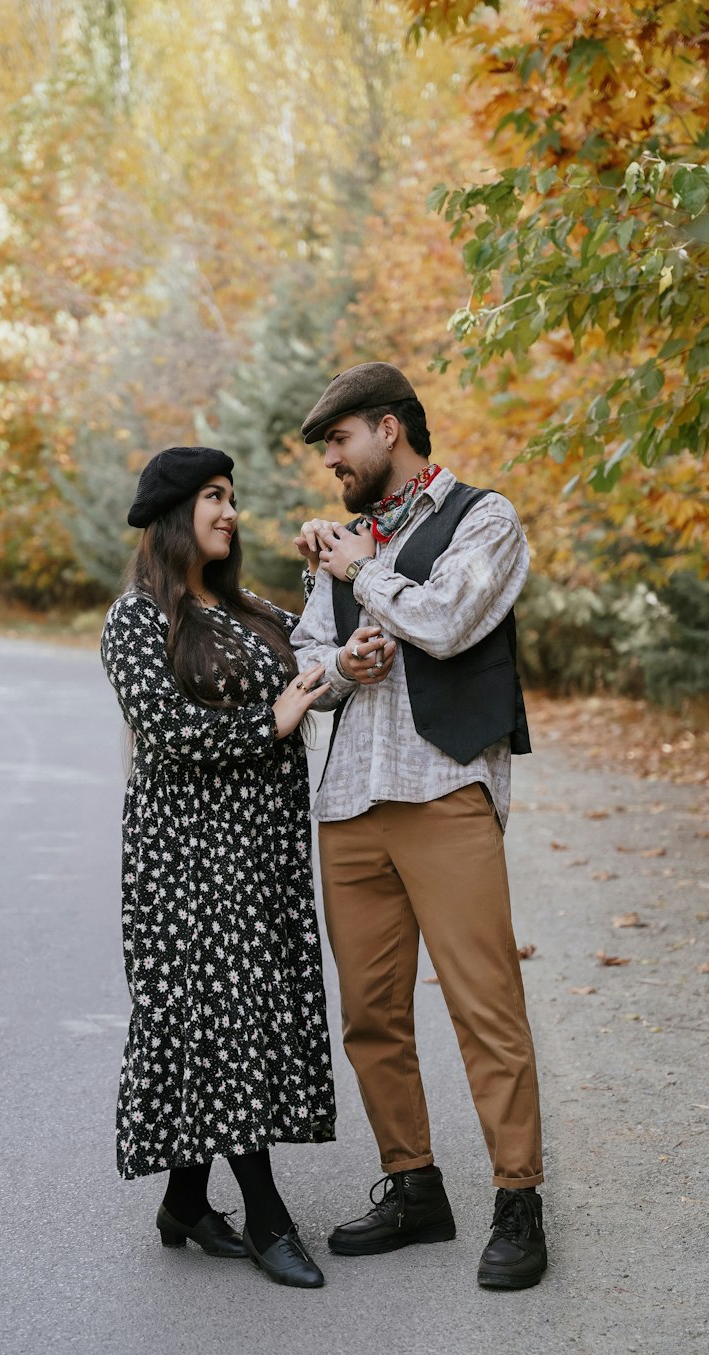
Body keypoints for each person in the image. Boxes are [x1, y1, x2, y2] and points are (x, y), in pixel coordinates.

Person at [291, 363, 547, 1290]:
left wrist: (365, 573)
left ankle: (519, 1200)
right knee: (370, 1016)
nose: (332, 462)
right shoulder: (342, 544)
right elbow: (308, 654)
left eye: (340, 442)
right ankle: (414, 1187)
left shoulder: (487, 517)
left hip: (443, 793)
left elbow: (446, 621)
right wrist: (347, 662)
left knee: (487, 1007)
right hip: (350, 804)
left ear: (389, 430)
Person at [100, 445, 335, 1290]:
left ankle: (185, 1205)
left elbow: (308, 669)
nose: (229, 512)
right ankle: (269, 1216)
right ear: (173, 516)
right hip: (187, 863)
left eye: (232, 497)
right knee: (227, 1019)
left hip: (263, 855)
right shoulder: (135, 620)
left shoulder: (245, 609)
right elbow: (166, 733)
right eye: (211, 497)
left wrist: (333, 585)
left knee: (233, 1019)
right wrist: (267, 726)